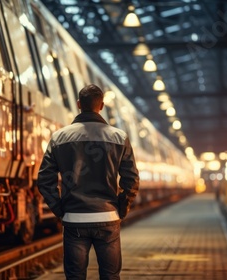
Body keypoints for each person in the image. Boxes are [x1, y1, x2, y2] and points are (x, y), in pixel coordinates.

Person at [37, 84, 140, 279]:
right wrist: (121, 208)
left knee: (75, 276)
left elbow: (44, 179)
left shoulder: (59, 137)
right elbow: (131, 180)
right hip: (108, 218)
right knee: (110, 276)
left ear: (78, 104)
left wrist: (60, 209)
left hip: (74, 220)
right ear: (101, 106)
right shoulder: (119, 137)